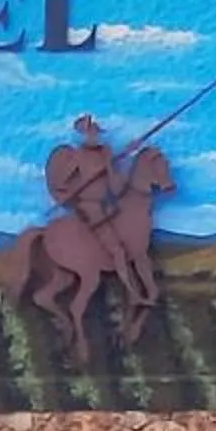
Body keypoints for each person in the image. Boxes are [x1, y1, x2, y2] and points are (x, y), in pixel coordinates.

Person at [44, 116, 146, 298]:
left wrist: (129, 152)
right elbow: (61, 181)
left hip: (107, 205)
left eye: (96, 134)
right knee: (118, 250)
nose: (94, 137)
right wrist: (70, 191)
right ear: (83, 135)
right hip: (90, 207)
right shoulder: (78, 156)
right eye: (91, 134)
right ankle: (133, 293)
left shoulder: (106, 153)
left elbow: (115, 184)